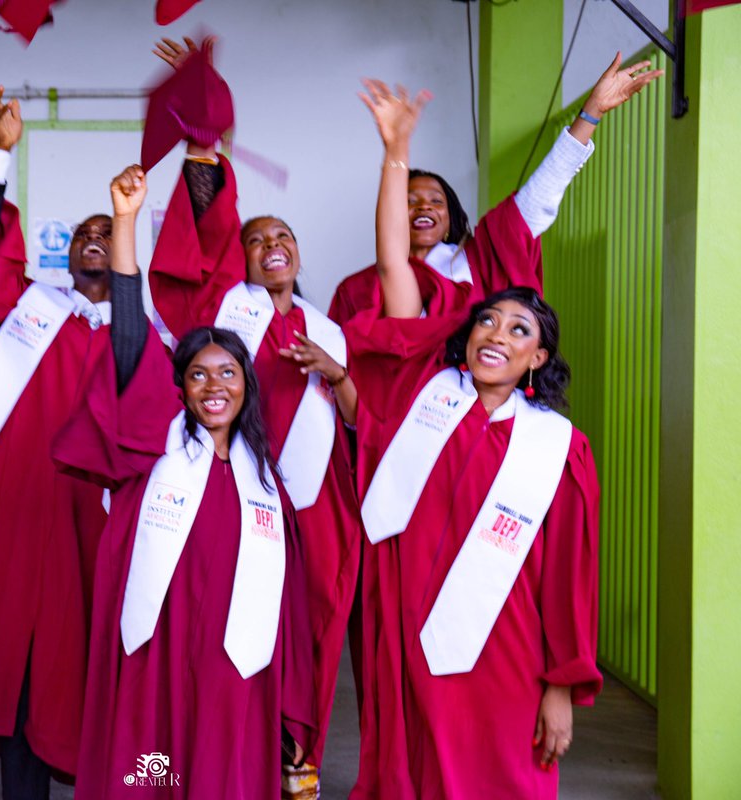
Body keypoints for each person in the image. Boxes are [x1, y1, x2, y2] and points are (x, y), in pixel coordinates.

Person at [341, 75, 607, 799]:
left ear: (538, 358)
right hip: (413, 638)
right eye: (488, 320)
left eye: (520, 329)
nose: (498, 333)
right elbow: (395, 264)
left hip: (507, 646)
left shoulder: (557, 446)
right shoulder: (422, 388)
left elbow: (566, 579)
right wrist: (395, 152)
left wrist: (560, 687)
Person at [52, 164, 315, 799]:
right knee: (154, 770)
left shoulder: (266, 485)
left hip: (236, 672)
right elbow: (128, 333)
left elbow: (291, 606)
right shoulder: (156, 454)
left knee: (223, 775)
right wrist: (125, 223)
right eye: (198, 375)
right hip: (158, 660)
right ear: (179, 388)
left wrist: (295, 697)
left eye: (228, 373)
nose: (214, 385)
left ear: (247, 385)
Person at [147, 37, 360, 790]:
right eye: (257, 238)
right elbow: (203, 236)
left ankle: (294, 767)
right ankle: (193, 767)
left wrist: (334, 374)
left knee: (310, 636)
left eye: (284, 237)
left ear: (300, 253)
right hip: (237, 494)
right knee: (227, 631)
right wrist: (205, 148)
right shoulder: (223, 311)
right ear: (238, 258)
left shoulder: (329, 326)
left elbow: (359, 417)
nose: (272, 245)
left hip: (317, 505)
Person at [0, 77, 111, 797]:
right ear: (63, 258)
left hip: (105, 522)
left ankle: (136, 778)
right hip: (19, 511)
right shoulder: (29, 312)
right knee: (20, 666)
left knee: (115, 664)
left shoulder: (156, 337)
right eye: (83, 236)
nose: (94, 243)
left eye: (110, 233)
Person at [328, 52, 665, 326]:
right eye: (410, 201)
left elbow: (538, 197)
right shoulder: (356, 290)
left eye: (435, 201)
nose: (424, 208)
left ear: (451, 216)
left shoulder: (483, 256)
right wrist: (396, 148)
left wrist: (591, 114)